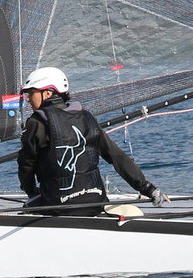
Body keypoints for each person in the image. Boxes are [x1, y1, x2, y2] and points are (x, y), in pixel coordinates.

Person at [15, 66, 167, 213]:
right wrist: (147, 188)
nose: (28, 99)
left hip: (56, 205)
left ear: (48, 93)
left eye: (31, 93)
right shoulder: (87, 117)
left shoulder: (37, 122)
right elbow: (116, 156)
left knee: (28, 208)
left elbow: (26, 166)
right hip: (95, 202)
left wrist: (31, 193)